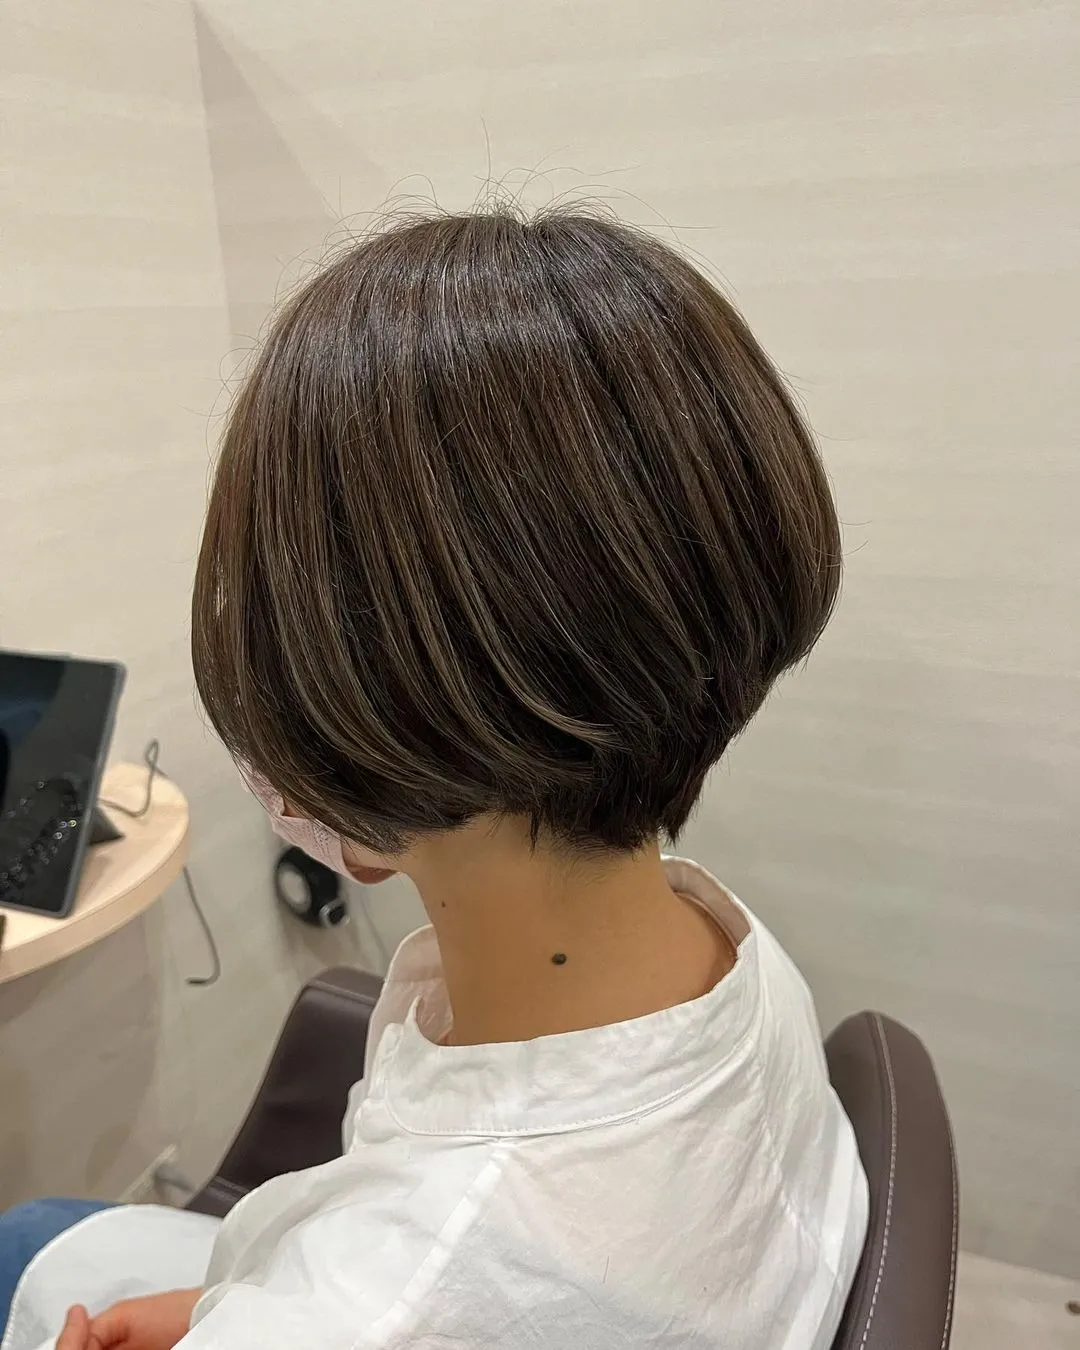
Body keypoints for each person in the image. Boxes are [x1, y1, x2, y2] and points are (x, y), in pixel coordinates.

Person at [6, 207, 868, 1350]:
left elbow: (405, 1301)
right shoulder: (725, 954)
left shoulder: (383, 1310)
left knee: (24, 1240)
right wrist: (226, 1305)